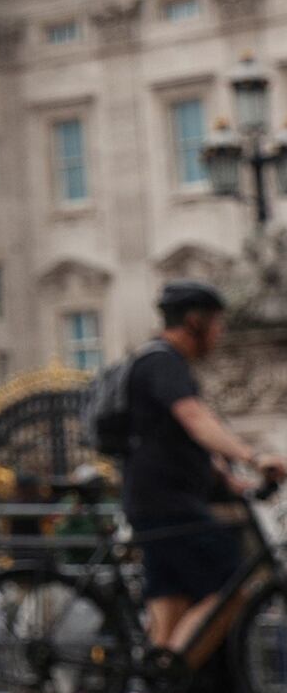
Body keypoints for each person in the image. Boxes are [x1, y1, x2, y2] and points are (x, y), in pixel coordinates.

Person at [123, 279, 287, 656]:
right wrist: (253, 456)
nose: (220, 334)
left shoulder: (154, 361)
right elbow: (196, 420)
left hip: (154, 501)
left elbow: (174, 442)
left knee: (172, 595)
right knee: (231, 590)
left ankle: (158, 681)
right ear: (195, 322)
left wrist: (229, 481)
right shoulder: (163, 362)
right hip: (172, 505)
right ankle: (170, 680)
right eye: (216, 324)